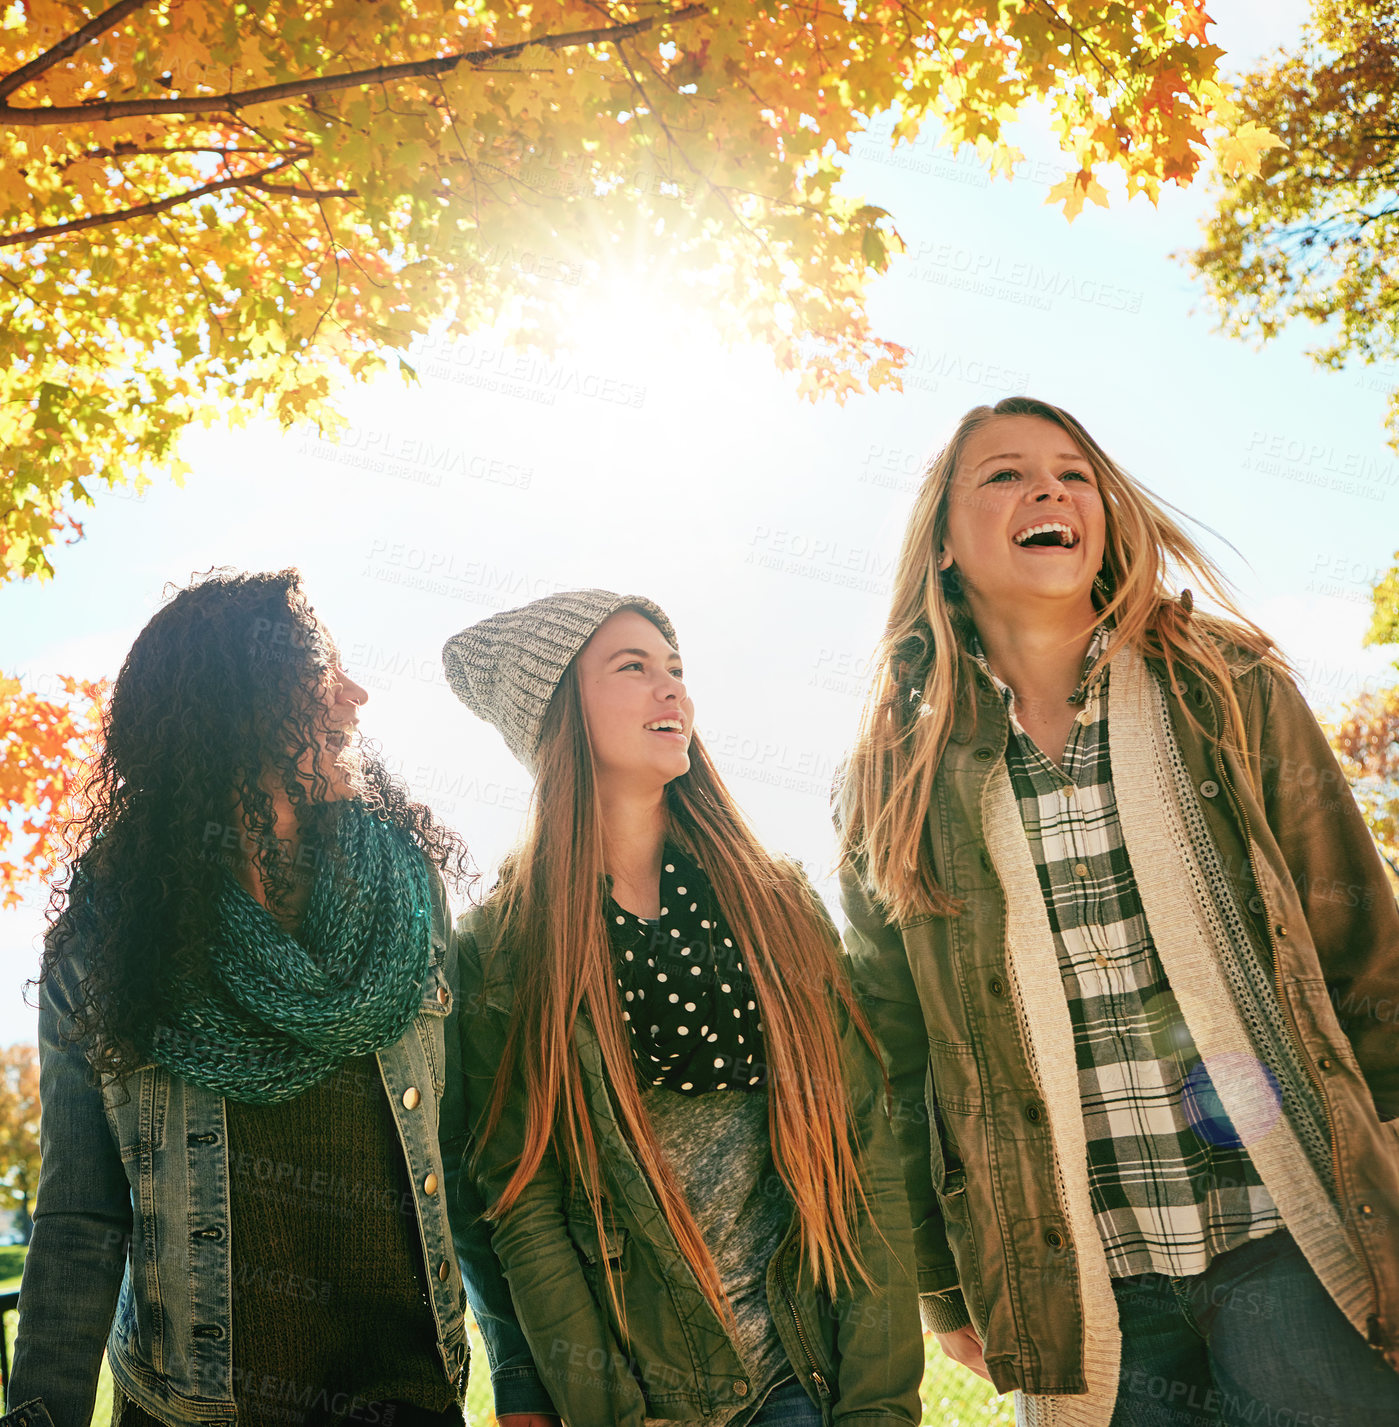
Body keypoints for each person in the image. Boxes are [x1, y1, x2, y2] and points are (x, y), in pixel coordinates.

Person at [837, 396, 1399, 1427]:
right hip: (1083, 1285)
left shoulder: (1226, 688)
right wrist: (938, 1274)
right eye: (1002, 475)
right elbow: (891, 1054)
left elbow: (1362, 943)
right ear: (944, 545)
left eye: (1071, 472)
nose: (1046, 488)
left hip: (1292, 1239)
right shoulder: (894, 778)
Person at [8, 569, 558, 1427]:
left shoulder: (405, 888)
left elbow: (462, 1153)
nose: (355, 695)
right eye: (322, 672)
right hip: (194, 1407)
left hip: (409, 1398)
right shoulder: (112, 926)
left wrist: (517, 1374)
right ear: (240, 699)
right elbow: (80, 1213)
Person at [441, 588, 923, 1427]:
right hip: (645, 1392)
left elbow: (864, 1154)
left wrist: (879, 1406)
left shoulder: (774, 903)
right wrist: (610, 1416)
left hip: (803, 1379)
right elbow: (523, 1203)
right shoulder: (504, 947)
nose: (674, 692)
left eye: (676, 670)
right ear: (559, 712)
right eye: (633, 668)